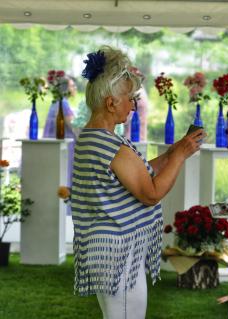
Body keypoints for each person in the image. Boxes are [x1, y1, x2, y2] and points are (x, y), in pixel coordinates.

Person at [71, 46, 205, 318]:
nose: (133, 106)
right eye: (130, 99)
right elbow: (151, 193)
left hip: (107, 249)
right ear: (111, 103)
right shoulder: (110, 144)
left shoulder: (92, 138)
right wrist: (179, 157)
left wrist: (171, 154)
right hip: (117, 253)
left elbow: (137, 174)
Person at [43, 76, 77, 188]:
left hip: (54, 144)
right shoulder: (63, 103)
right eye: (72, 85)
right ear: (66, 88)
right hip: (64, 145)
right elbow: (72, 124)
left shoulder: (56, 102)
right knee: (65, 175)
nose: (75, 87)